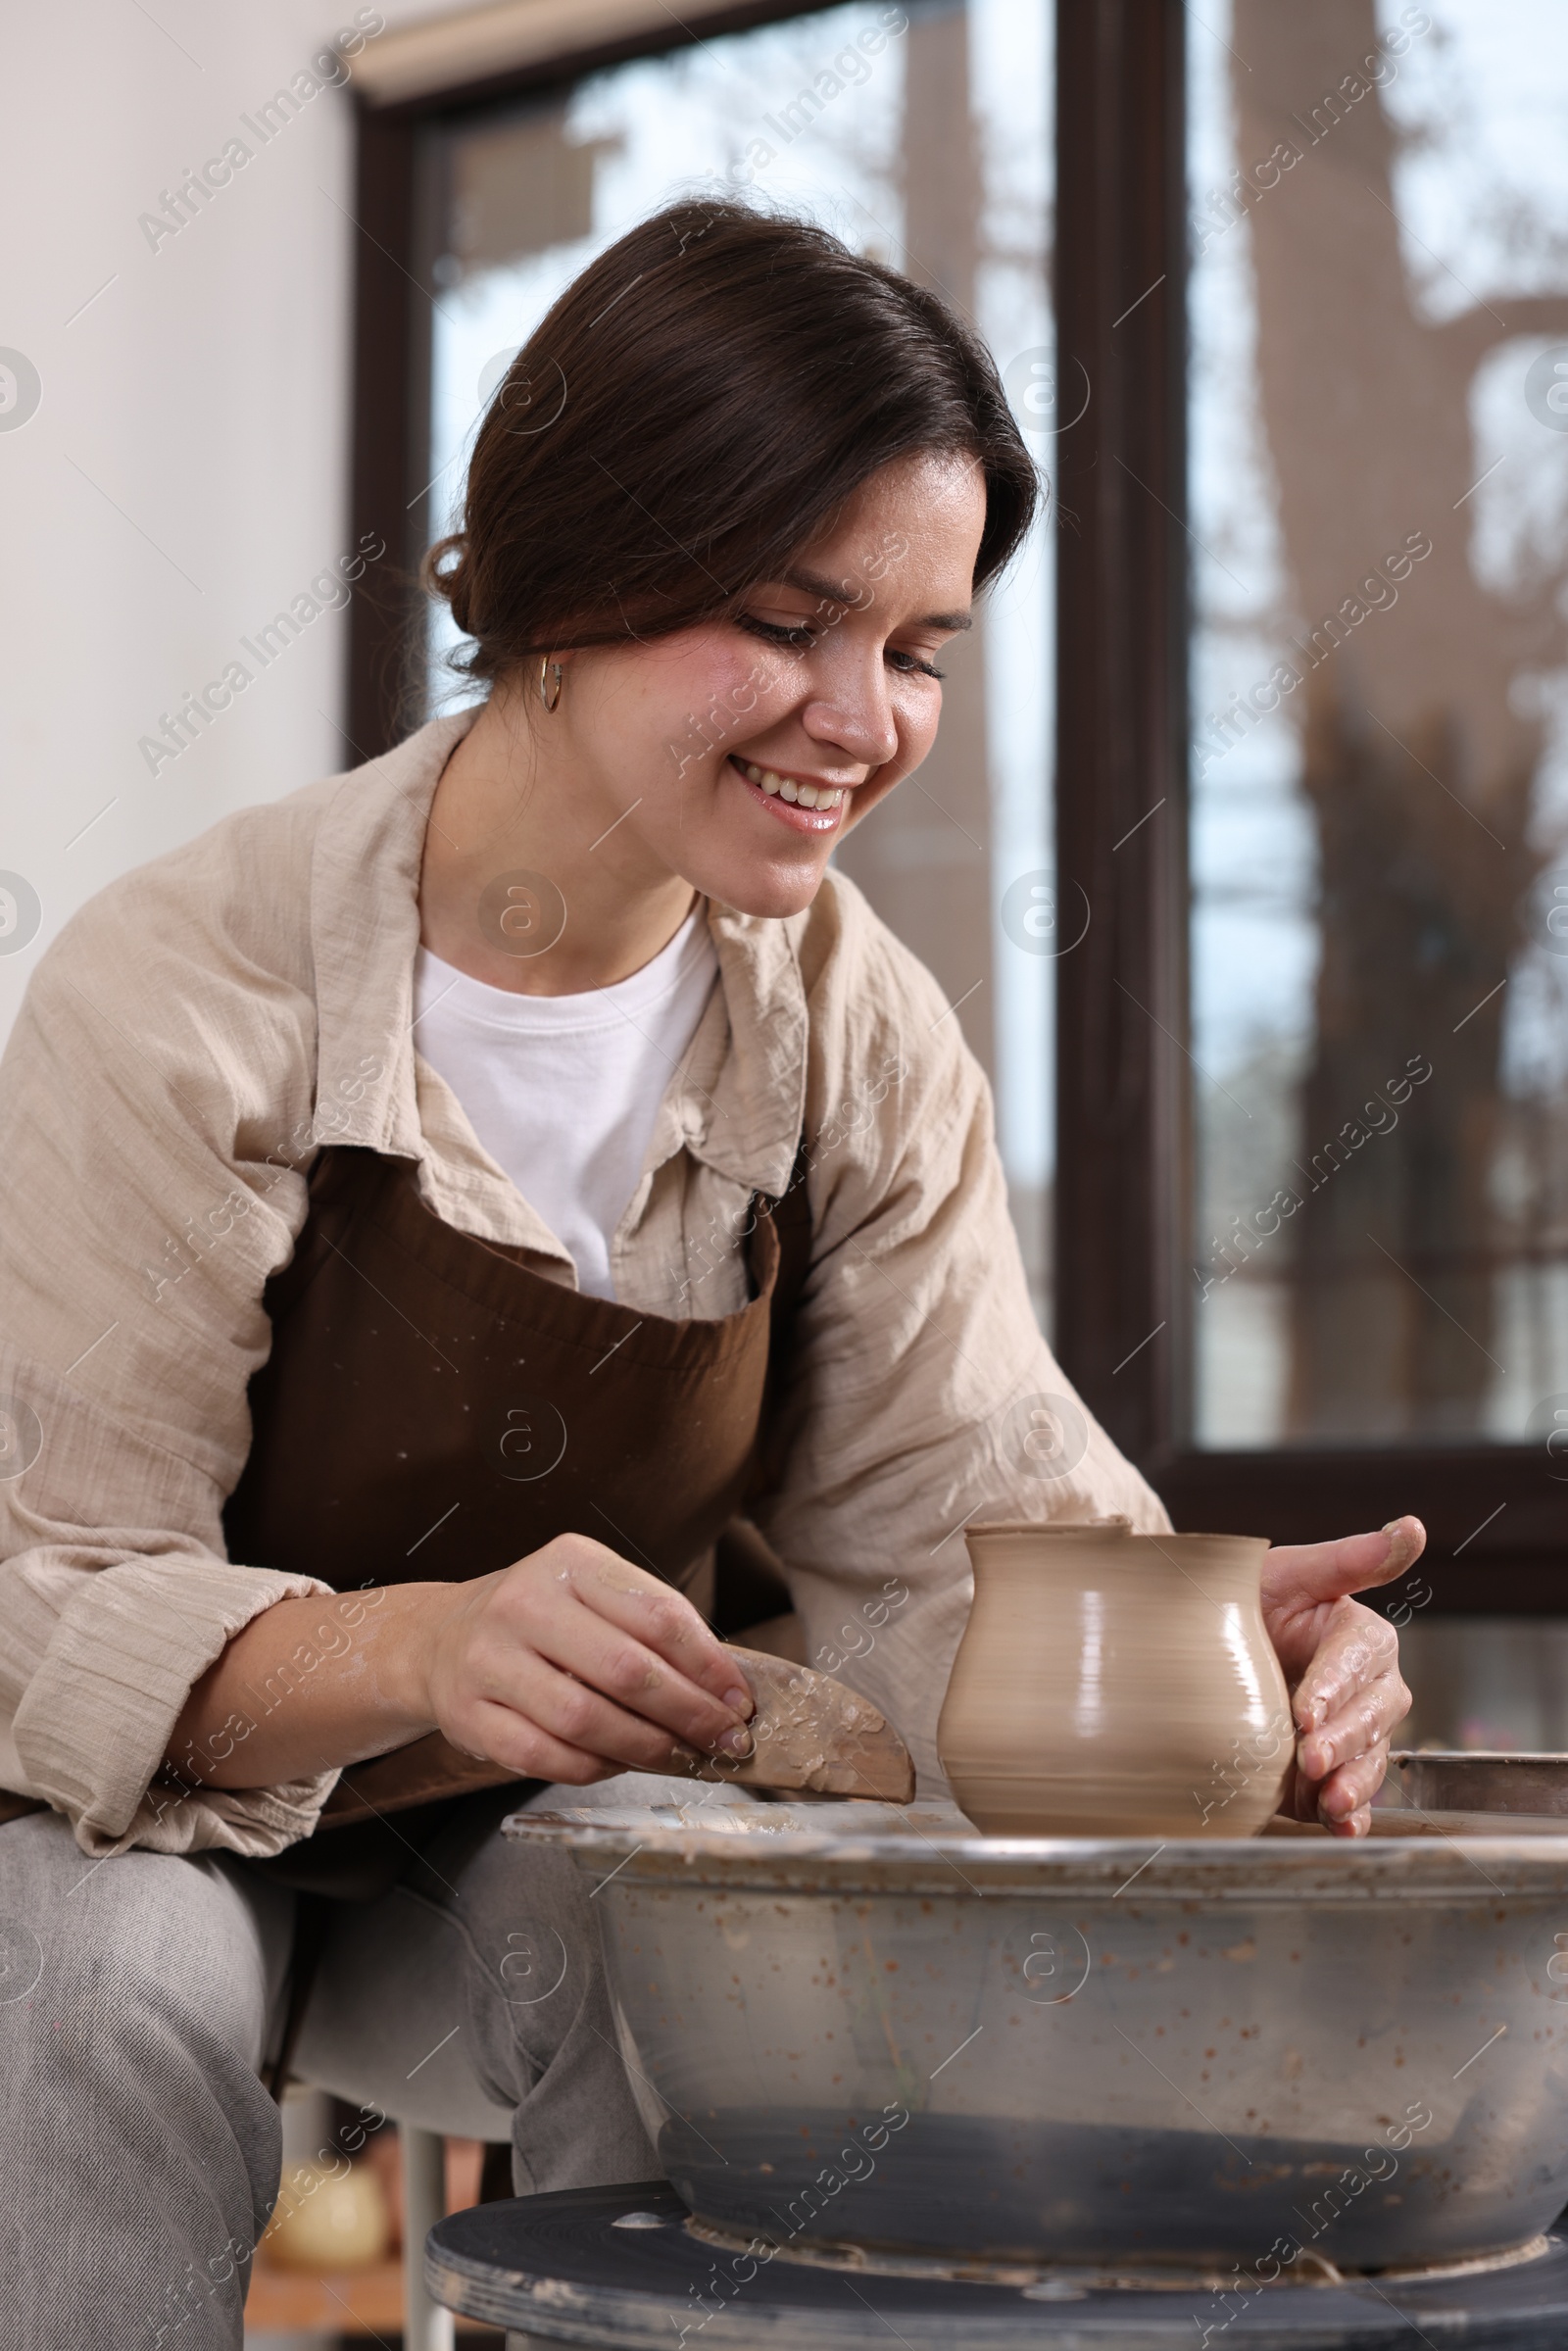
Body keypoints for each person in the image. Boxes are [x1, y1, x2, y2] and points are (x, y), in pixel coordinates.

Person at [0, 200, 1413, 2343]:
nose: (859, 718)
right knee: (112, 1979)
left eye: (918, 647)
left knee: (688, 1937)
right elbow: (53, 1590)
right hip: (123, 1828)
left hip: (505, 1850)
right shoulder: (185, 983)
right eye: (784, 620)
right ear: (564, 588)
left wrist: (1229, 1664)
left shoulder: (853, 1027)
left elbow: (976, 1542)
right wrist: (416, 1646)